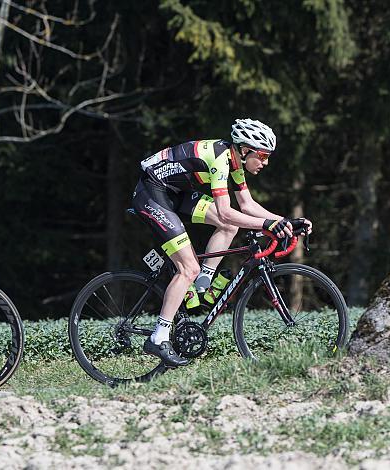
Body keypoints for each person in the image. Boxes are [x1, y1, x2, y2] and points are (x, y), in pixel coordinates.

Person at [132, 118, 312, 366]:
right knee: (188, 267)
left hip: (174, 192)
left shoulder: (234, 160)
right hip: (152, 193)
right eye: (262, 155)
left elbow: (247, 205)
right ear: (245, 149)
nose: (265, 162)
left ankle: (202, 286)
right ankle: (159, 337)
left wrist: (286, 221)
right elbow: (226, 210)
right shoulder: (219, 159)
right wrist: (266, 225)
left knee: (229, 226)